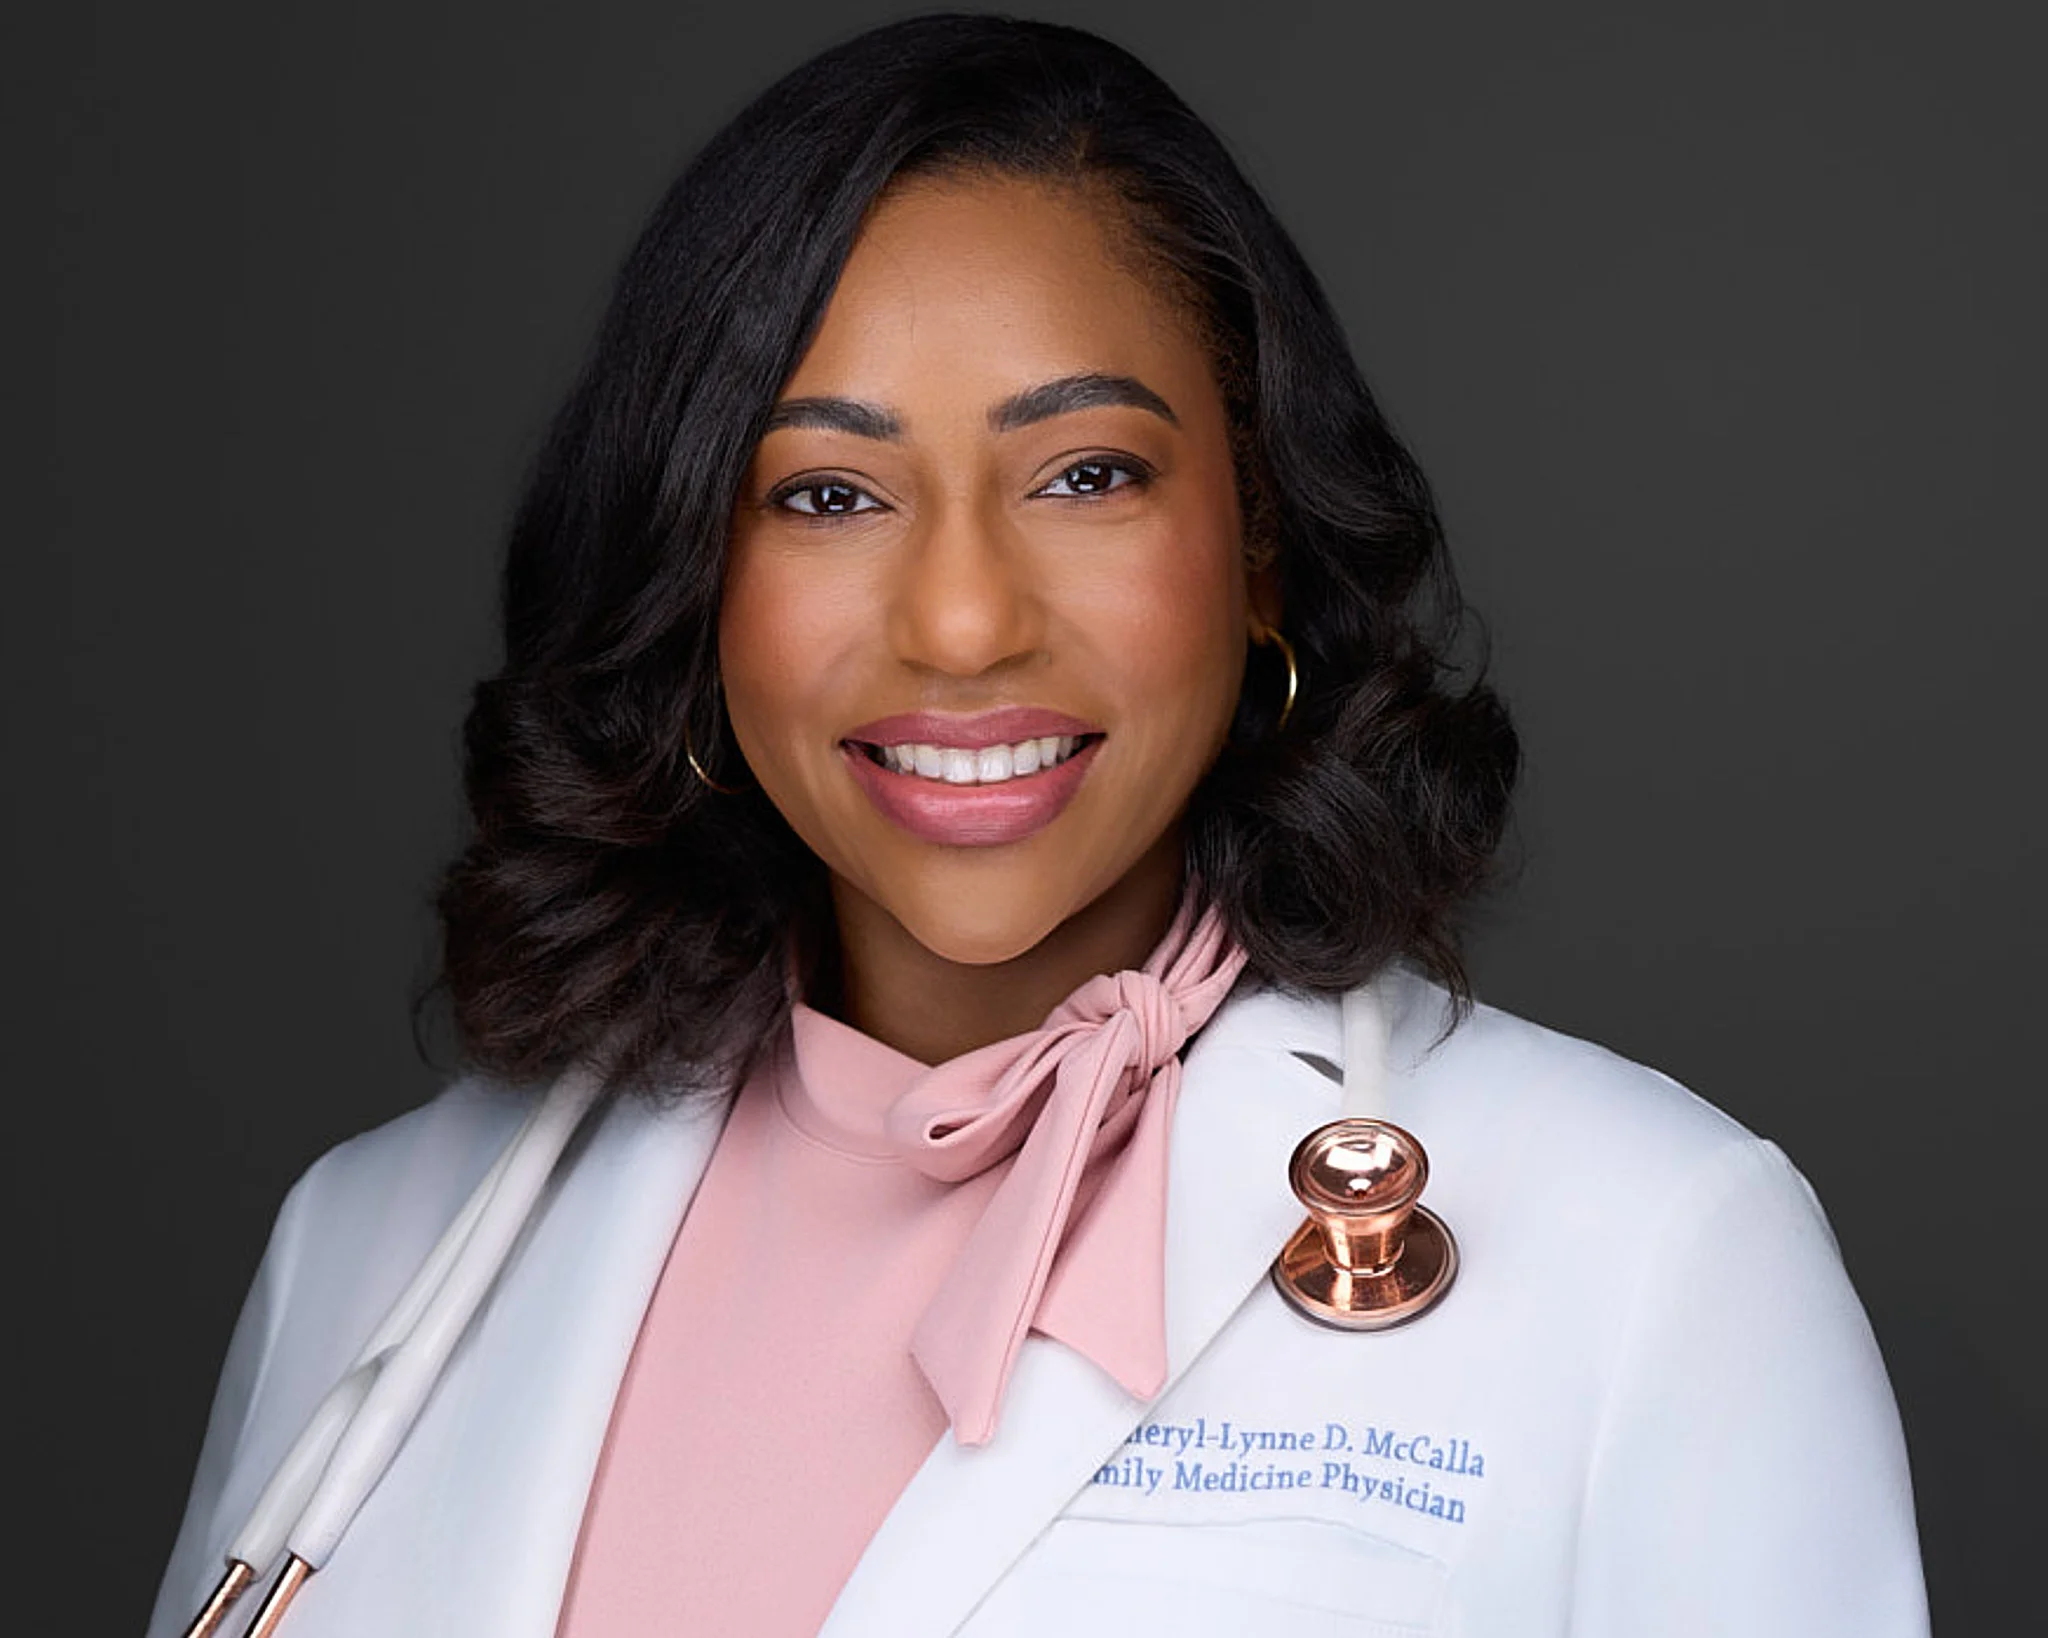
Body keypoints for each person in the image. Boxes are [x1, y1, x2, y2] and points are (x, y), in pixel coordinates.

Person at [148, 15, 1929, 1637]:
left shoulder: (1658, 1259)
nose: (962, 621)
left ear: (1260, 549)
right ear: (694, 580)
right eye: (827, 490)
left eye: (1085, 473)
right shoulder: (368, 1240)